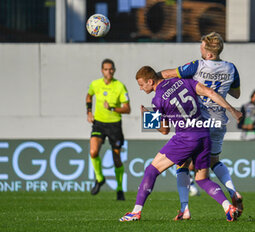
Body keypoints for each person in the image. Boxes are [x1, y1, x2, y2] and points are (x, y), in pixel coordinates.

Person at [119, 66, 242, 222]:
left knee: (151, 170)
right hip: (203, 134)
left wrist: (147, 117)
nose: (141, 88)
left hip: (185, 137)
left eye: (142, 85)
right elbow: (210, 92)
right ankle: (228, 207)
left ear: (150, 81)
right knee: (202, 179)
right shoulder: (182, 82)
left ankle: (136, 212)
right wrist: (232, 110)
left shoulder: (158, 99)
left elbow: (164, 130)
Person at [160, 32, 243, 219]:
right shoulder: (231, 68)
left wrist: (155, 78)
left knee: (182, 163)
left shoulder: (197, 65)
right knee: (214, 161)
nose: (200, 48)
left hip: (198, 121)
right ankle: (233, 191)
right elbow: (236, 94)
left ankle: (185, 209)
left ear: (208, 53)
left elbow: (169, 74)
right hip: (219, 120)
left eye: (202, 46)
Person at [86, 58, 130, 200]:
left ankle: (119, 189)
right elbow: (89, 95)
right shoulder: (95, 84)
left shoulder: (120, 86)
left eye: (111, 69)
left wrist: (112, 108)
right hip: (99, 123)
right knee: (93, 152)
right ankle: (100, 178)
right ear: (102, 71)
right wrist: (88, 112)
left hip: (114, 125)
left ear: (114, 70)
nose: (109, 71)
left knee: (116, 159)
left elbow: (127, 109)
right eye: (106, 69)